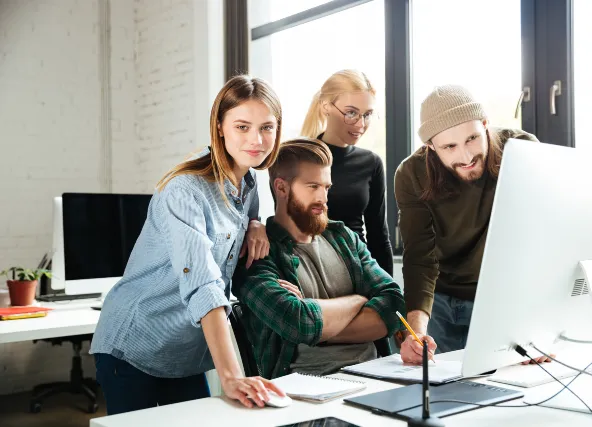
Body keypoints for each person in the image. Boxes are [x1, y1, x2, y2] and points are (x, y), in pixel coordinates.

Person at [90, 75, 286, 414]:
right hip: (136, 341)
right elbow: (203, 283)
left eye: (267, 127)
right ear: (220, 127)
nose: (256, 139)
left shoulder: (250, 180)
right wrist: (232, 376)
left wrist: (256, 224)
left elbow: (243, 215)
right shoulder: (185, 190)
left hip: (185, 349)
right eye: (242, 126)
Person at [394, 85, 550, 365]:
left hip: (500, 299)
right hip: (439, 303)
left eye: (472, 139)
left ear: (486, 125)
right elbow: (419, 258)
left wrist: (533, 325)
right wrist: (415, 335)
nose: (466, 157)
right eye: (449, 147)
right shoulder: (411, 174)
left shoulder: (521, 150)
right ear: (430, 145)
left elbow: (536, 242)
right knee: (433, 385)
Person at [232, 138, 405, 379]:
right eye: (313, 186)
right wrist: (360, 299)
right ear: (281, 188)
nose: (323, 198)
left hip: (376, 373)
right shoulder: (257, 254)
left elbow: (395, 304)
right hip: (307, 387)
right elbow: (298, 323)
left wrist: (319, 327)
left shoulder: (343, 237)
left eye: (326, 187)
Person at [300, 70, 394, 276]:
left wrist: (390, 295)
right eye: (351, 113)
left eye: (367, 114)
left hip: (359, 272)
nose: (361, 124)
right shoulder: (298, 159)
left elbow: (379, 236)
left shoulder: (372, 163)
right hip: (311, 273)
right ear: (326, 107)